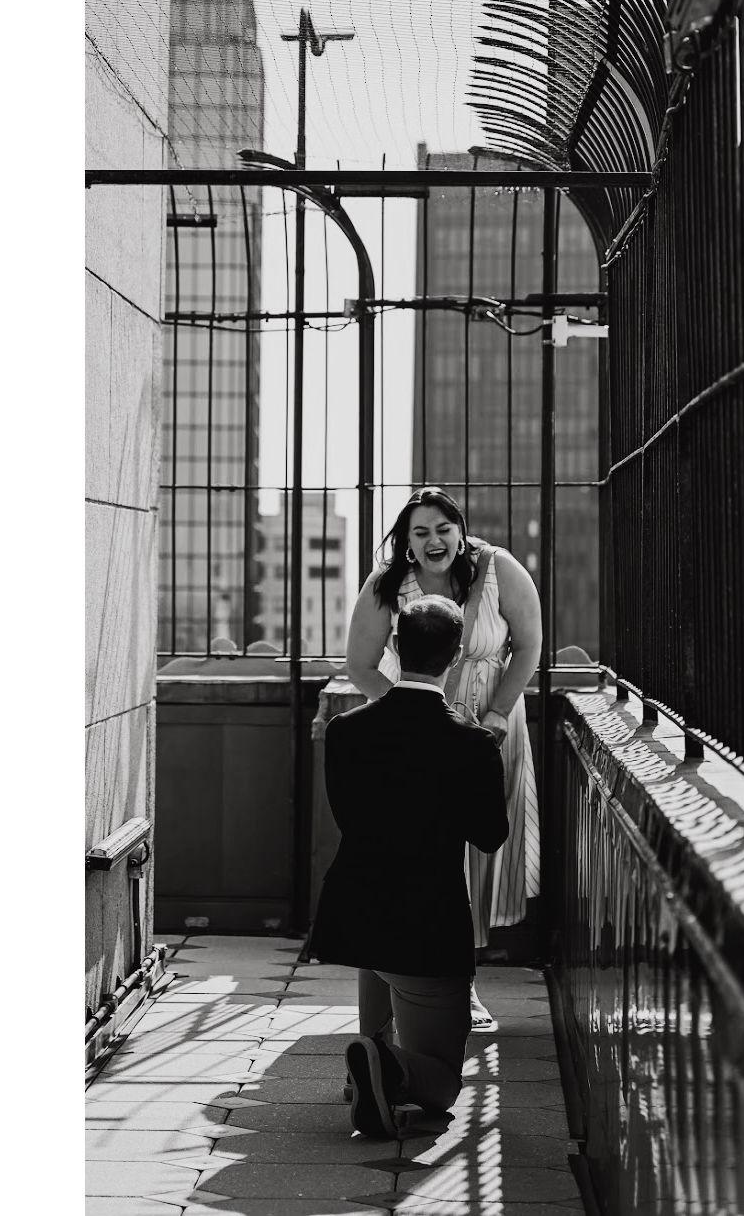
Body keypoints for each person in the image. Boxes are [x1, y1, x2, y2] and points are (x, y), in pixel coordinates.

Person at [308, 597, 508, 1137]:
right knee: (442, 1086)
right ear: (458, 655)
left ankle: (373, 1067)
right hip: (427, 922)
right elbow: (491, 836)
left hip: (355, 911)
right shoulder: (472, 742)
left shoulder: (346, 731)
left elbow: (347, 815)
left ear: (395, 647)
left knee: (377, 968)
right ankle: (386, 1066)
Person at [345, 485, 543, 1031]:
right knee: (427, 852)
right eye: (420, 532)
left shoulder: (499, 570)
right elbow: (360, 664)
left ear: (460, 531)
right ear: (406, 542)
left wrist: (498, 713)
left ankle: (461, 982)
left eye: (443, 529)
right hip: (417, 740)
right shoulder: (387, 584)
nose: (434, 541)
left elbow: (529, 645)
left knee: (478, 853)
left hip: (491, 728)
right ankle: (433, 983)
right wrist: (408, 715)